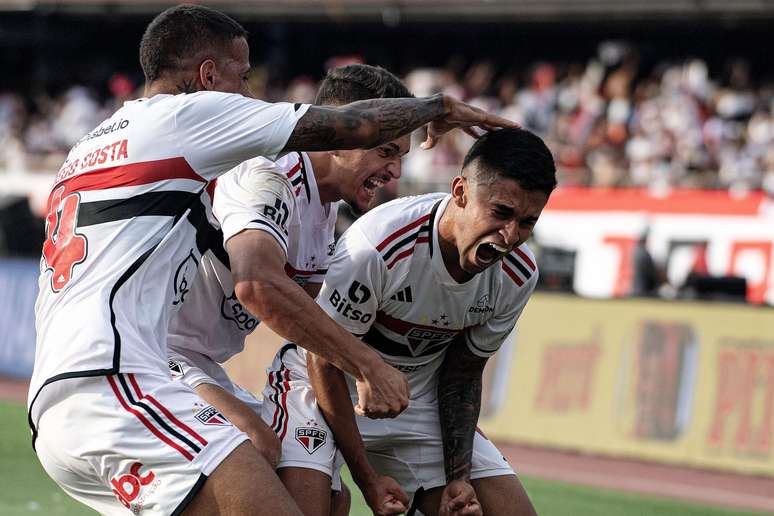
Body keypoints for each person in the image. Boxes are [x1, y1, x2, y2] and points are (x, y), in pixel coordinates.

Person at [28, 4, 518, 515]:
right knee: (262, 455)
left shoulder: (94, 144)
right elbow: (349, 130)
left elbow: (302, 321)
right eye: (241, 79)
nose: (247, 95)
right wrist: (436, 106)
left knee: (328, 499)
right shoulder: (204, 130)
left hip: (78, 388)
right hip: (121, 377)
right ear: (207, 75)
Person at [264, 127, 556, 516]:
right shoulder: (379, 245)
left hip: (419, 402)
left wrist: (458, 478)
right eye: (501, 213)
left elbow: (463, 374)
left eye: (526, 223)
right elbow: (324, 359)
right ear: (460, 192)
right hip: (318, 388)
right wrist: (366, 479)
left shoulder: (518, 273)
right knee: (307, 508)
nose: (509, 236)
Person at [167, 63, 415, 516]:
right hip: (154, 354)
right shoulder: (268, 173)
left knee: (332, 499)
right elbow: (257, 286)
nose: (394, 172)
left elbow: (319, 330)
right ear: (341, 136)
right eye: (386, 151)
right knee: (257, 446)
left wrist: (365, 477)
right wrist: (368, 366)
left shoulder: (325, 211)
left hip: (199, 362)